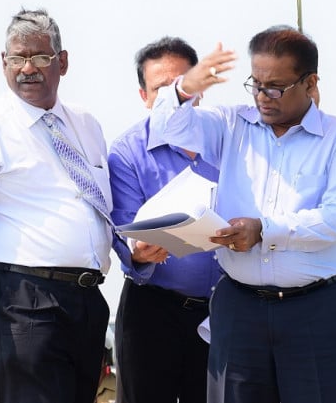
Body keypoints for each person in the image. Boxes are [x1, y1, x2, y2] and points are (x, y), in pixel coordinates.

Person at [0, 8, 145, 403]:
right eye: (17, 58)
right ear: (3, 62)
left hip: (85, 301)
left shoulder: (86, 125)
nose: (27, 68)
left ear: (62, 62)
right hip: (20, 303)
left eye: (40, 57)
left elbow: (100, 208)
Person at [150, 26, 336, 403]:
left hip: (314, 310)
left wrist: (264, 230)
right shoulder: (231, 123)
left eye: (276, 87)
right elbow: (167, 127)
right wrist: (184, 89)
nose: (263, 97)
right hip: (240, 307)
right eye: (256, 84)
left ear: (311, 82)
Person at [108, 36, 221, 403]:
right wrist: (137, 253)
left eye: (181, 85)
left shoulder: (229, 139)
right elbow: (124, 230)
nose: (174, 96)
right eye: (161, 89)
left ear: (198, 88)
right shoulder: (126, 153)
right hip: (152, 312)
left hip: (222, 314)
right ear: (144, 97)